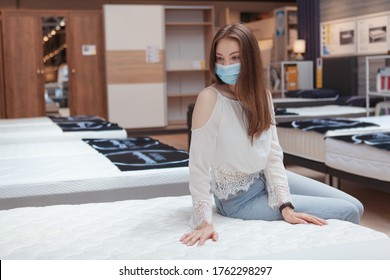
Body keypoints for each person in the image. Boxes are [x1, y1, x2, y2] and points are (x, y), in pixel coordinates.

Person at [179, 23, 363, 247]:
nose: (226, 65)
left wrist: (284, 204)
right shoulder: (209, 98)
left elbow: (273, 154)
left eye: (235, 57)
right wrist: (204, 222)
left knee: (356, 204)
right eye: (220, 58)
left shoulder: (262, 96)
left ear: (250, 59)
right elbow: (198, 166)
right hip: (238, 200)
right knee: (348, 211)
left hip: (263, 180)